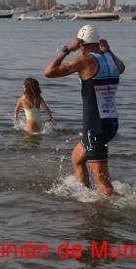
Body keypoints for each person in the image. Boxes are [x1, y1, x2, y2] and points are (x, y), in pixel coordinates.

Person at [44, 24, 125, 196]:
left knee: (103, 182)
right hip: (111, 123)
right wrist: (108, 51)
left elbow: (48, 72)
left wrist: (67, 50)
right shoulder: (111, 60)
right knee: (77, 158)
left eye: (78, 45)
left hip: (95, 125)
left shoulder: (85, 61)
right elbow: (121, 68)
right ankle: (84, 196)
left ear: (81, 43)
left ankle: (115, 215)